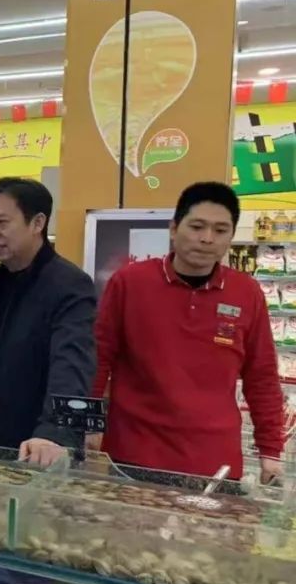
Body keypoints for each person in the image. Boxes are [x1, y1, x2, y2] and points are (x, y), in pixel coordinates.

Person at [91, 182, 285, 482]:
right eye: (197, 226)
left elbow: (262, 376)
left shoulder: (247, 293)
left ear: (231, 236)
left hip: (215, 462)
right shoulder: (129, 282)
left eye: (220, 230)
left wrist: (270, 451)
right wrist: (87, 424)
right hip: (134, 454)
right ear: (173, 229)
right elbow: (99, 358)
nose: (207, 238)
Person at [0, 177, 97, 465]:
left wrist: (55, 433)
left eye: (2, 223)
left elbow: (73, 365)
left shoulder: (70, 284)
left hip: (35, 447)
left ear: (37, 223)